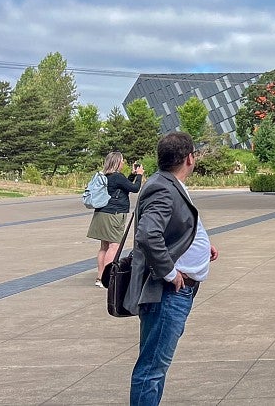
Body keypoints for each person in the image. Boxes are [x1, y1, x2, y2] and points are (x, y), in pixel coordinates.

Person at [125, 132, 219, 406]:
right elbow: (148, 234)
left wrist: (200, 245)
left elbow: (173, 225)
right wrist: (170, 272)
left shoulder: (166, 183)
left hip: (175, 291)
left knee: (154, 365)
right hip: (167, 292)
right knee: (152, 368)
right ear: (189, 158)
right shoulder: (163, 188)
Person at [87, 151, 143, 286]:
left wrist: (132, 175)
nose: (123, 163)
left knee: (104, 247)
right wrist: (140, 175)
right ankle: (108, 279)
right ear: (117, 162)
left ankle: (100, 278)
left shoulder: (106, 176)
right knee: (114, 246)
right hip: (114, 215)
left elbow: (124, 187)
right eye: (122, 160)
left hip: (101, 213)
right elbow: (135, 188)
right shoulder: (117, 177)